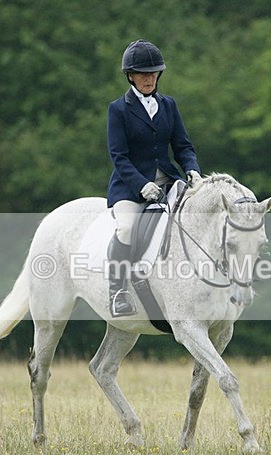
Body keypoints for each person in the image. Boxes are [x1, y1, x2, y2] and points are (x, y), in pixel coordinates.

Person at [106, 39, 201, 317]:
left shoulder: (168, 105)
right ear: (130, 76)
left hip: (169, 182)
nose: (149, 79)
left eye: (153, 73)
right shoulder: (118, 110)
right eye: (142, 74)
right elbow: (119, 157)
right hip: (130, 187)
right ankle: (118, 292)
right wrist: (141, 185)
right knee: (125, 228)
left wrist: (192, 169)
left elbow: (183, 146)